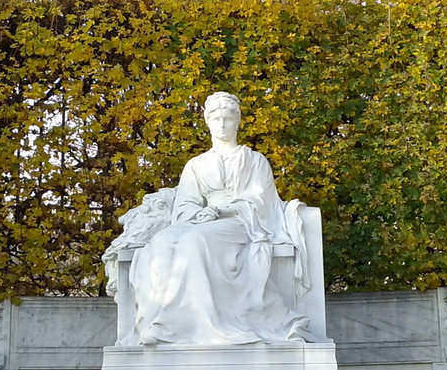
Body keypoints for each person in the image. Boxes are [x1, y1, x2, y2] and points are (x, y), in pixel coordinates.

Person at [125, 91, 310, 345]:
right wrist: (200, 213)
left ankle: (173, 325)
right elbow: (184, 205)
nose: (222, 125)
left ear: (238, 121)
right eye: (216, 119)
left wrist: (225, 209)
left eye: (228, 118)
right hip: (203, 221)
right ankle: (156, 319)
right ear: (207, 122)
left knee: (194, 242)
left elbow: (260, 202)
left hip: (241, 222)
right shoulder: (196, 165)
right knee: (161, 243)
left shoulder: (255, 161)